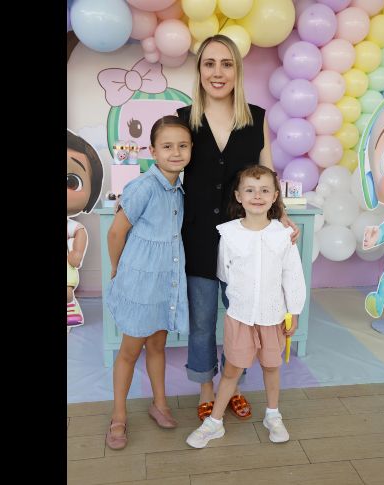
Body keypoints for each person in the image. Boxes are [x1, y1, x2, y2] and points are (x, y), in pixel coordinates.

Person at [176, 34, 300, 422]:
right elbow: (168, 171)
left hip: (246, 241)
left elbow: (267, 173)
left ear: (238, 71)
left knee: (243, 319)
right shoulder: (184, 119)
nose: (218, 72)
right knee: (201, 323)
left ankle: (234, 387)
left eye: (226, 64)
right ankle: (206, 390)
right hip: (198, 238)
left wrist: (281, 215)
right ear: (199, 71)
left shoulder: (256, 118)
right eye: (209, 63)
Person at [186, 165, 306, 448]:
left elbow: (292, 274)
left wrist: (294, 311)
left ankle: (273, 415)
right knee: (232, 370)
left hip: (273, 316)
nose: (257, 196)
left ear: (274, 196)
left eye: (264, 190)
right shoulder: (229, 234)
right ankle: (214, 423)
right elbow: (224, 272)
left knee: (271, 367)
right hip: (240, 316)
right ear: (239, 196)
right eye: (250, 190)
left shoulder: (282, 235)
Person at [103, 116, 192, 450]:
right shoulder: (143, 187)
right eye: (167, 146)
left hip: (165, 283)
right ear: (152, 151)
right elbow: (116, 232)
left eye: (183, 146)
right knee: (130, 350)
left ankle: (160, 403)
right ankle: (118, 416)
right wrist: (117, 268)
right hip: (139, 283)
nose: (175, 153)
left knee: (157, 345)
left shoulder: (180, 189)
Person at [67, 130, 104, 330]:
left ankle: (70, 308)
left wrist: (77, 252)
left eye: (71, 182)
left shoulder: (70, 225)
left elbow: (79, 231)